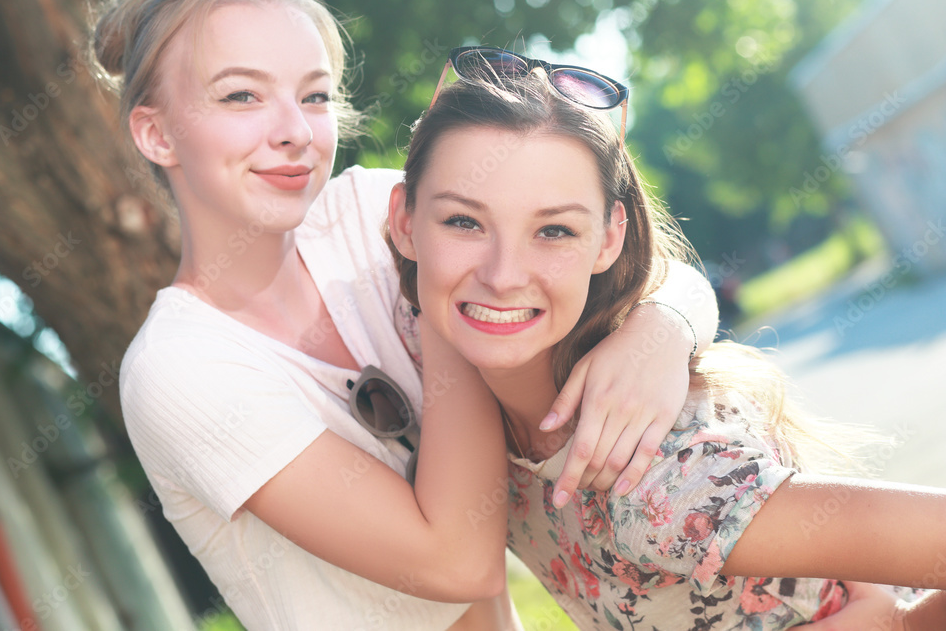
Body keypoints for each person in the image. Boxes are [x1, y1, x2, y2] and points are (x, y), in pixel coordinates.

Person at [92, 0, 721, 628]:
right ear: (156, 134)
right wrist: (440, 295)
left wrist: (664, 327)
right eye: (243, 96)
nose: (297, 132)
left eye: (313, 96)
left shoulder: (363, 209)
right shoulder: (178, 366)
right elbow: (456, 562)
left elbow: (626, 265)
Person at [385, 62, 946, 630]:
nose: (503, 276)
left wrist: (898, 624)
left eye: (553, 230)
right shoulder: (424, 341)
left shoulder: (664, 475)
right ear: (403, 222)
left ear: (608, 239)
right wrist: (671, 320)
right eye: (463, 221)